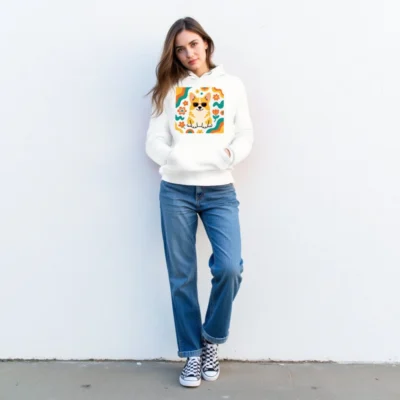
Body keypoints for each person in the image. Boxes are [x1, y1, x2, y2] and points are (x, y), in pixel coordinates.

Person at [145, 16, 254, 388]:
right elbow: (154, 141)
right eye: (180, 49)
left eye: (193, 44)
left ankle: (211, 339)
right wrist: (174, 159)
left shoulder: (232, 85)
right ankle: (191, 354)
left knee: (229, 268)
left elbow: (245, 133)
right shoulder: (170, 88)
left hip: (219, 190)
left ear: (206, 43)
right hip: (176, 191)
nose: (188, 53)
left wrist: (228, 155)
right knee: (182, 276)